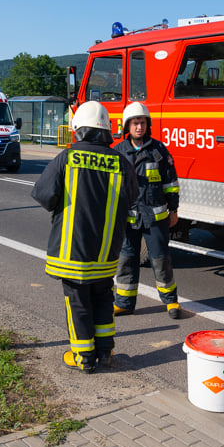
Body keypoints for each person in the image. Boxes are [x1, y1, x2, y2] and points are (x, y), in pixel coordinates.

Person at [31, 101, 138, 373]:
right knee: (103, 296)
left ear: (78, 130)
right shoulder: (121, 162)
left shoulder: (67, 158)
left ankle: (83, 358)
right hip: (106, 252)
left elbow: (44, 194)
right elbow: (133, 197)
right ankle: (105, 351)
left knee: (77, 301)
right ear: (107, 131)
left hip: (73, 251)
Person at [113, 101, 181, 319]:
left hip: (155, 218)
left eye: (142, 123)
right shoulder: (118, 152)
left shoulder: (158, 150)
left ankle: (171, 302)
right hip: (127, 218)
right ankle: (124, 303)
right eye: (134, 123)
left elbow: (170, 182)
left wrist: (174, 210)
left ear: (147, 124)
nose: (139, 127)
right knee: (126, 260)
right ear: (127, 126)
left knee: (161, 260)